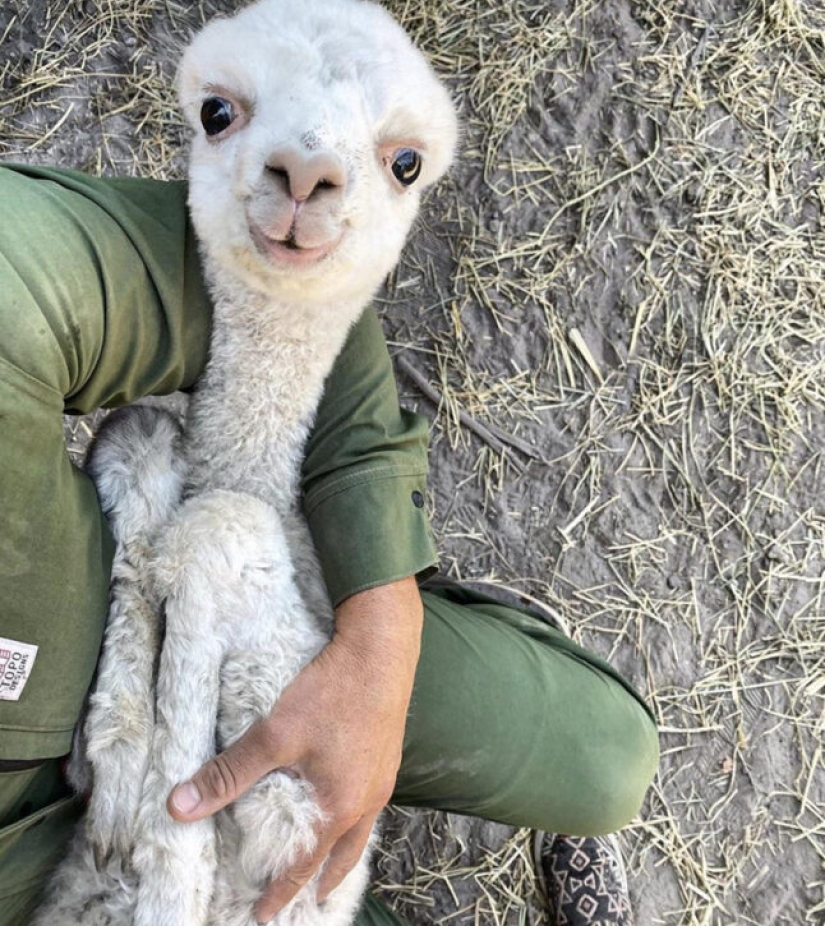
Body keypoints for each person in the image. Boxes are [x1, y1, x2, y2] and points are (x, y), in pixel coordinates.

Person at [0, 163, 659, 925]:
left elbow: (281, 291)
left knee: (607, 759)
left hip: (194, 592)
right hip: (55, 890)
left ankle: (343, 571)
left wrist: (378, 626)